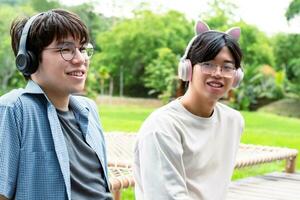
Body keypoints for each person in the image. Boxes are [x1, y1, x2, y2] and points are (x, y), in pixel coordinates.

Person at [0, 9, 113, 200]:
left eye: (83, 49)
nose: (80, 59)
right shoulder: (13, 109)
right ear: (29, 59)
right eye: (66, 50)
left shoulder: (89, 109)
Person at [134, 20, 244, 200]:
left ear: (236, 76)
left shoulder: (233, 121)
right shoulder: (162, 127)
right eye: (208, 64)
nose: (217, 73)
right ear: (187, 68)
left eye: (227, 67)